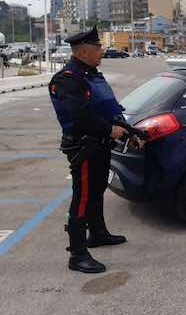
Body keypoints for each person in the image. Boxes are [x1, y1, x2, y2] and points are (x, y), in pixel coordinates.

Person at [48, 26, 145, 273]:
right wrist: (110, 130)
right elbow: (80, 116)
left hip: (100, 145)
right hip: (84, 147)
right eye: (97, 47)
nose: (102, 50)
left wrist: (130, 132)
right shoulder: (67, 79)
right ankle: (77, 255)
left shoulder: (93, 75)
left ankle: (98, 234)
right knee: (81, 198)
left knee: (97, 190)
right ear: (82, 51)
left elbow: (109, 110)